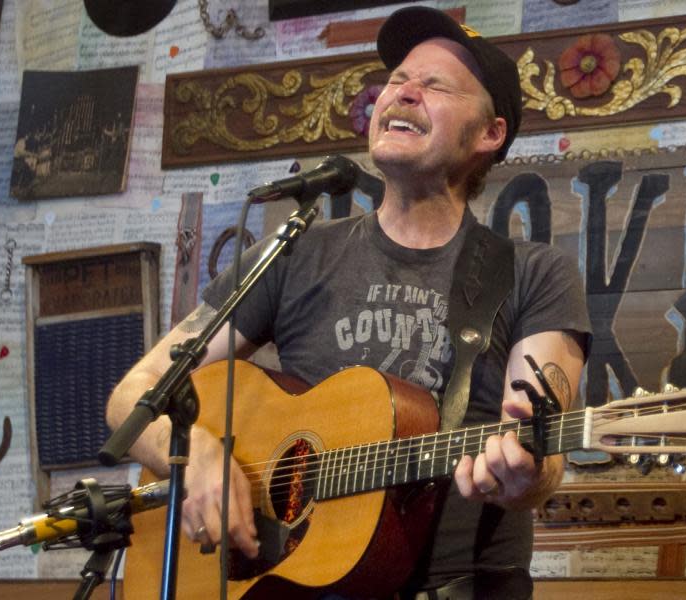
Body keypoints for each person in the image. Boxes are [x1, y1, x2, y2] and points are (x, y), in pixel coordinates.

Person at [107, 6, 591, 599]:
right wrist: (195, 456)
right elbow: (132, 398)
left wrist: (526, 473)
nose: (405, 93)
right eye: (396, 80)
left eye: (435, 85)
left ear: (489, 133)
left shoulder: (534, 274)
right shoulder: (291, 253)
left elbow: (540, 451)